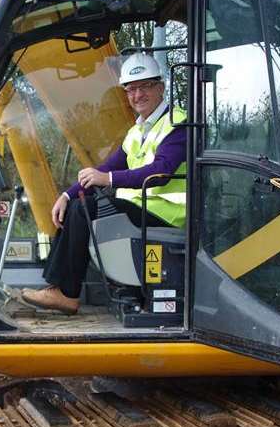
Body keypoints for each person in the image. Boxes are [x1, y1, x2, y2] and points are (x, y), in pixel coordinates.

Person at [22, 52, 187, 315]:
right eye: (131, 89)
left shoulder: (178, 124)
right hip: (140, 209)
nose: (137, 95)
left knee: (85, 208)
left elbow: (161, 171)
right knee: (76, 204)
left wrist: (108, 180)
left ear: (160, 87)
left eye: (145, 86)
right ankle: (58, 288)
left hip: (166, 215)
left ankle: (66, 293)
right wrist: (66, 194)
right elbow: (106, 168)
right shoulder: (137, 132)